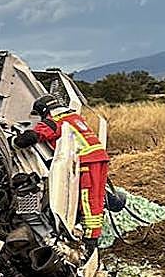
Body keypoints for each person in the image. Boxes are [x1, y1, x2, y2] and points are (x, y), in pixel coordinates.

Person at [14, 93, 110, 249]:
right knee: (97, 199)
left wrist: (15, 142)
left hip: (87, 162)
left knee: (88, 200)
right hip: (99, 158)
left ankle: (90, 241)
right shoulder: (73, 117)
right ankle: (92, 235)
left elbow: (34, 136)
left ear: (45, 111)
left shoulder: (55, 122)